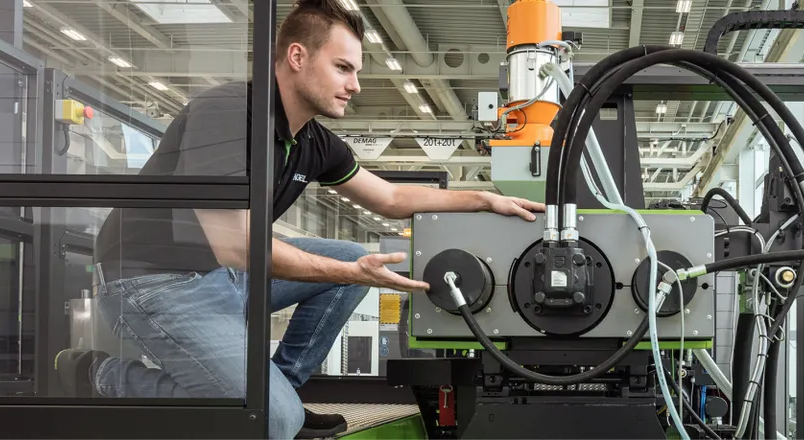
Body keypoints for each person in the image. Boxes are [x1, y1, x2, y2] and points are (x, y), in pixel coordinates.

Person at [52, 0, 544, 437]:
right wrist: (352, 273)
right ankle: (103, 376)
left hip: (220, 275)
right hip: (150, 281)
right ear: (297, 57)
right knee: (274, 417)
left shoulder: (311, 139)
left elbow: (391, 197)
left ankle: (279, 392)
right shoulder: (229, 112)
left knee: (347, 263)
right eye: (343, 68)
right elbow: (237, 245)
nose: (355, 85)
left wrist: (484, 200)